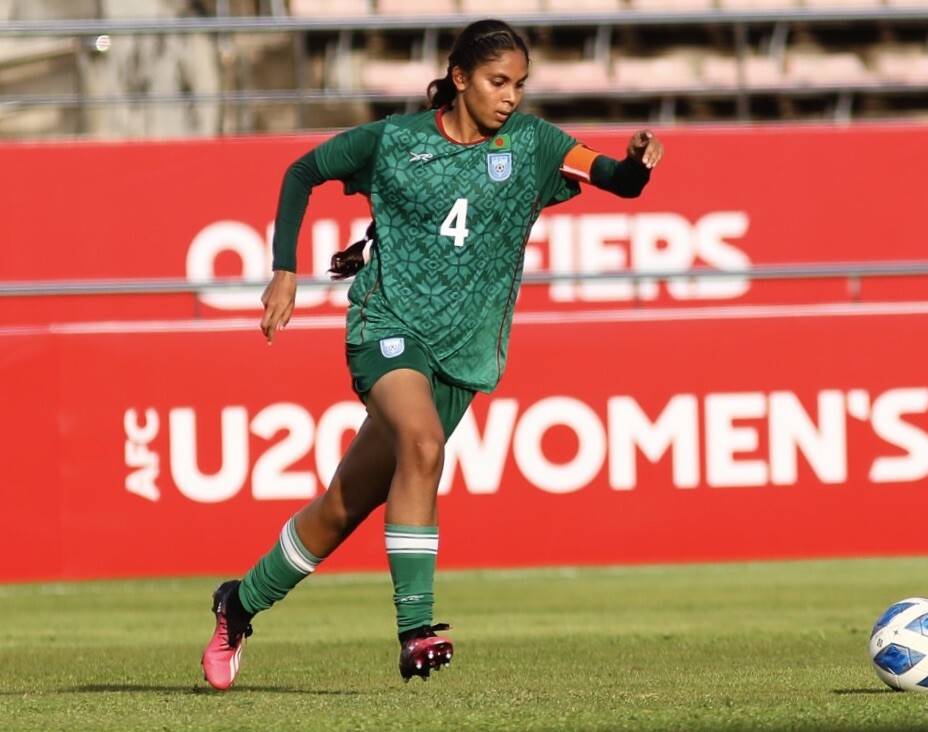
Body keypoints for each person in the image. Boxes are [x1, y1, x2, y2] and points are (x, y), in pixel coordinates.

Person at [200, 18, 663, 690]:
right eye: (498, 81)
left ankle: (237, 605)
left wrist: (638, 163)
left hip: (462, 355)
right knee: (421, 444)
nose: (510, 96)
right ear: (460, 77)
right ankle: (415, 629)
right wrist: (284, 269)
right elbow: (303, 171)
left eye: (520, 84)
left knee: (341, 508)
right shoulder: (394, 141)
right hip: (385, 326)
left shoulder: (533, 145)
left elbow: (615, 179)